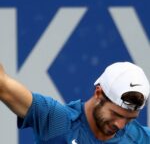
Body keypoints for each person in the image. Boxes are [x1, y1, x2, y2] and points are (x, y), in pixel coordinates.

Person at [0, 61, 150, 144]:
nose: (120, 125)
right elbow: (3, 85)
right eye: (115, 114)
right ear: (98, 93)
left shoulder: (141, 138)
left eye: (129, 119)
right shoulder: (56, 121)